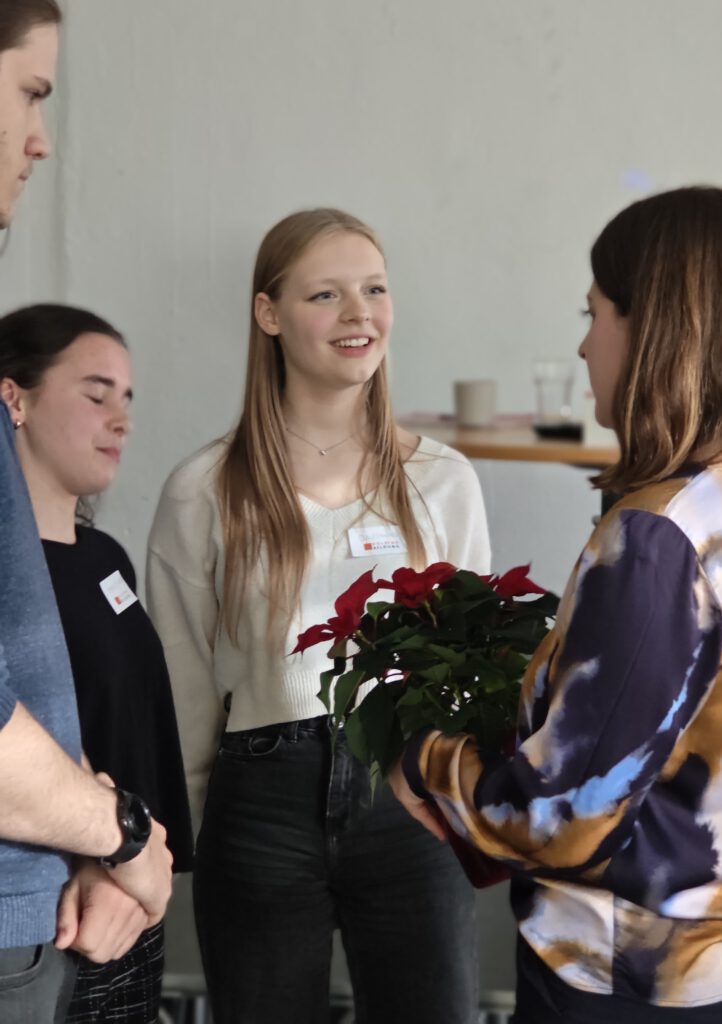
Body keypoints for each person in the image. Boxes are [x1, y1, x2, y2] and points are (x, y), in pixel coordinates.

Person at [391, 185, 722, 1023]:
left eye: (594, 312)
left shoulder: (659, 537)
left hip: (625, 981)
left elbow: (571, 817)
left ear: (658, 330)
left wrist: (429, 763)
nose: (584, 344)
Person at [146, 207, 492, 1024]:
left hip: (411, 795)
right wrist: (190, 836)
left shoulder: (443, 481)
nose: (358, 314)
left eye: (373, 289)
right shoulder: (204, 488)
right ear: (269, 314)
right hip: (261, 802)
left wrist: (470, 806)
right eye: (326, 294)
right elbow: (182, 685)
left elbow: (474, 671)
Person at [0, 4, 173, 1021]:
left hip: (56, 908)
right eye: (29, 91)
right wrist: (121, 834)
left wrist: (139, 850)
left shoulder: (105, 551)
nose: (41, 139)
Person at [0, 302, 195, 1023]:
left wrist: (140, 868)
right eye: (95, 393)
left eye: (128, 399)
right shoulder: (13, 580)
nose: (122, 419)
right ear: (12, 398)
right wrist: (102, 862)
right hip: (60, 915)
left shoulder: (108, 558)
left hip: (138, 892)